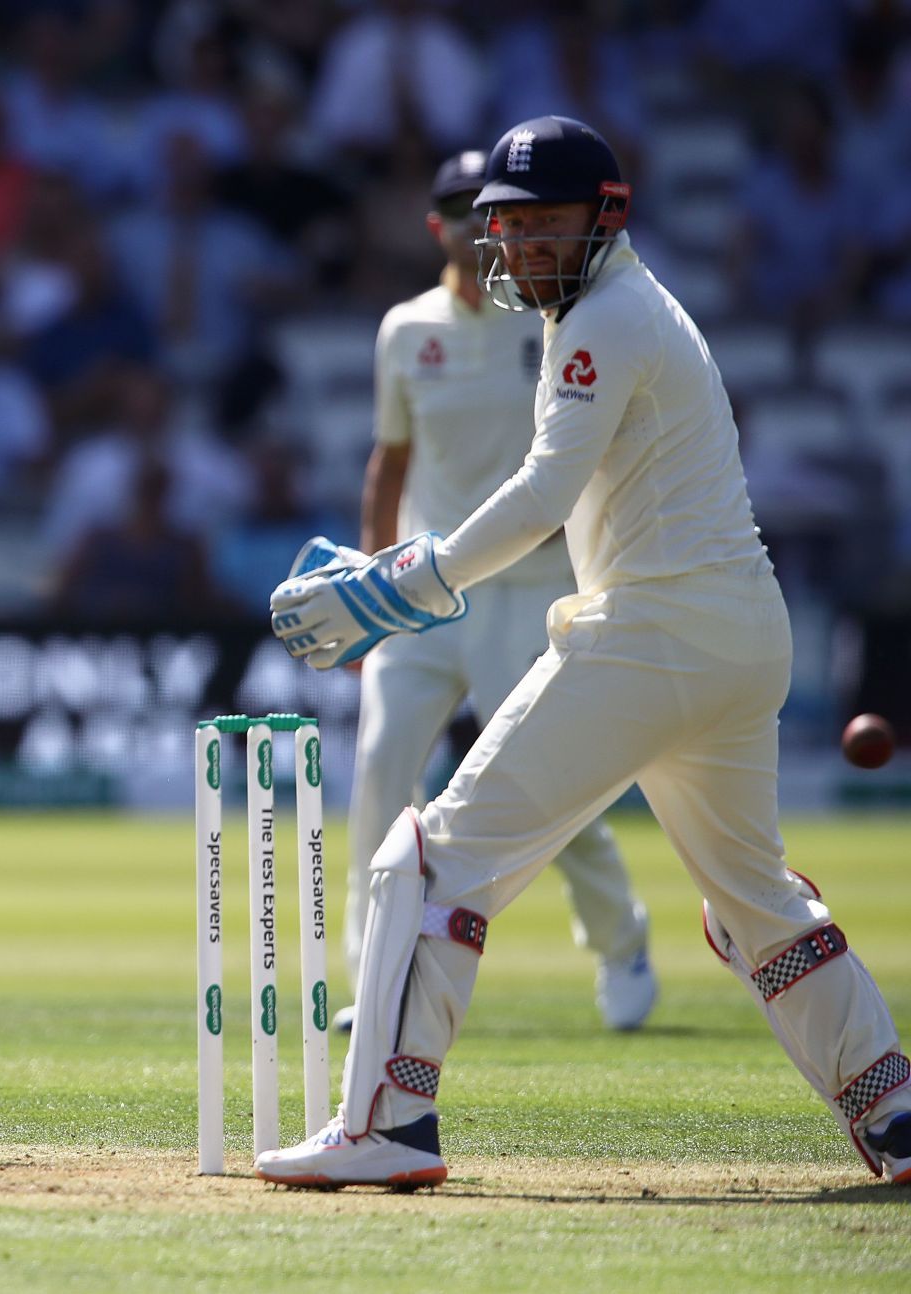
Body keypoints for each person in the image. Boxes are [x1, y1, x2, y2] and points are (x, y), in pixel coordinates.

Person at [260, 117, 910, 1189]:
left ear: (606, 218)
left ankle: (387, 1120)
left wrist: (402, 583)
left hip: (651, 633)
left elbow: (541, 496)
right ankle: (892, 1105)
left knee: (427, 858)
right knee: (752, 903)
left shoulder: (603, 319)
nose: (521, 248)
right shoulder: (631, 307)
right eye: (507, 228)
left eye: (545, 224)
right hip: (739, 635)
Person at [338, 149, 655, 1038]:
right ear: (436, 227)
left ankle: (620, 939)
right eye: (454, 211)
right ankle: (378, 974)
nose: (478, 230)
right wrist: (372, 588)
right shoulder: (406, 329)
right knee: (379, 774)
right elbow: (388, 464)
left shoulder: (553, 319)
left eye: (488, 214)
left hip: (529, 589)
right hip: (421, 592)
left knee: (547, 791)